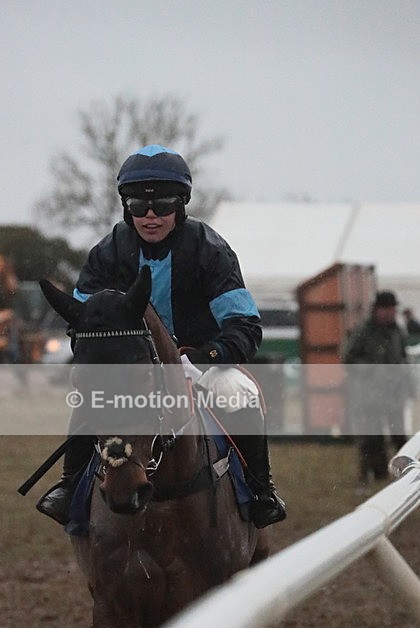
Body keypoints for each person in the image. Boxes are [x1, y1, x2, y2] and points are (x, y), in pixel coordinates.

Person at [37, 144, 286, 530]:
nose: (150, 216)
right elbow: (82, 324)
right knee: (92, 394)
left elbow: (244, 324)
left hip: (200, 365)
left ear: (181, 205)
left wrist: (206, 358)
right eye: (138, 206)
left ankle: (260, 491)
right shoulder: (107, 254)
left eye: (163, 204)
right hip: (131, 370)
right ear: (126, 207)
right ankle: (70, 487)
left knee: (242, 392)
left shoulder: (209, 250)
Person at [342, 290, 411, 485]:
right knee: (370, 439)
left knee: (399, 436)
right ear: (378, 309)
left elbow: (403, 358)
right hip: (369, 395)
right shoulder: (363, 330)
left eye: (393, 309)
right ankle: (371, 475)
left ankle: (404, 474)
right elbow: (349, 358)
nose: (391, 313)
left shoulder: (397, 330)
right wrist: (371, 371)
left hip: (393, 394)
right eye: (388, 309)